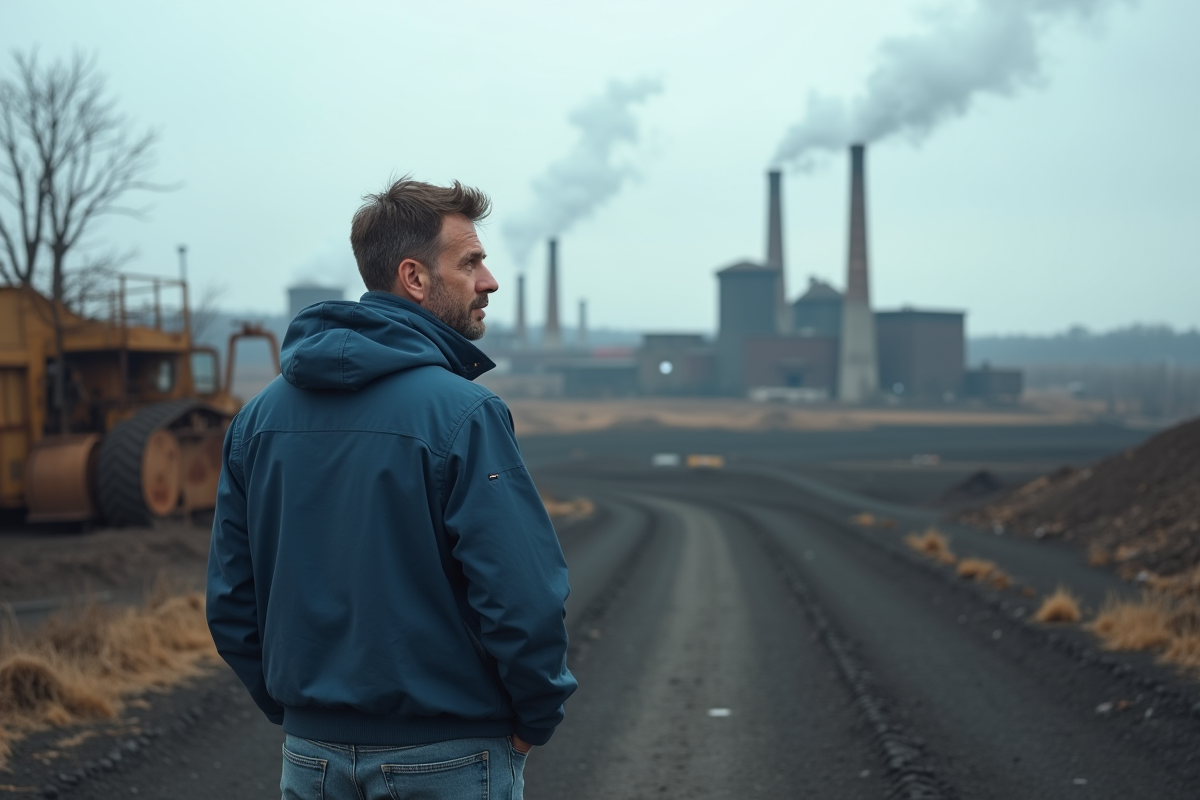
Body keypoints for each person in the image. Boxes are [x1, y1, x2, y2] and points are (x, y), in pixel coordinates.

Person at [206, 177, 576, 799]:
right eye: (472, 262)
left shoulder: (258, 420)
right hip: (450, 755)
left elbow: (231, 603)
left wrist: (302, 713)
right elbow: (523, 597)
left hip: (311, 759)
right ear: (414, 277)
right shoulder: (464, 415)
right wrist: (535, 716)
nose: (488, 281)